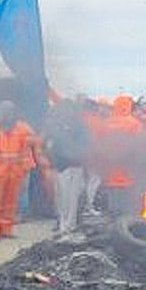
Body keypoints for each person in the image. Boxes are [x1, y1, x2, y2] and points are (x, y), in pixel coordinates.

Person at [0, 100, 36, 241]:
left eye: (11, 111)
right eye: (5, 111)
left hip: (15, 171)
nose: (8, 114)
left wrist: (24, 168)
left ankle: (6, 228)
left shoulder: (21, 128)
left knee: (11, 202)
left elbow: (29, 147)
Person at [42, 98, 91, 234]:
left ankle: (70, 226)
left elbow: (84, 146)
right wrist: (51, 156)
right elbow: (47, 143)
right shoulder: (55, 125)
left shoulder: (79, 126)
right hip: (59, 166)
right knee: (61, 198)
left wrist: (75, 156)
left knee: (72, 198)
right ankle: (63, 224)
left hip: (74, 166)